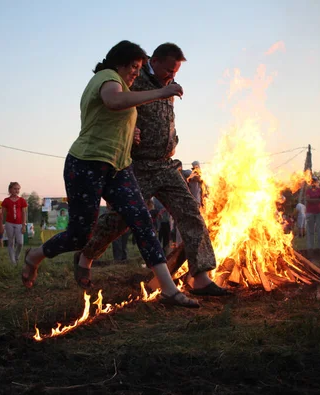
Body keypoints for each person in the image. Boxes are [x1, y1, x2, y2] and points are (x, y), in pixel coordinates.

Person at [23, 40, 201, 308]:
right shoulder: (107, 77)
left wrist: (133, 133)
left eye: (139, 67)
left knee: (142, 218)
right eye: (133, 66)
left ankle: (168, 289)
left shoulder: (123, 85)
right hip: (86, 164)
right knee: (79, 234)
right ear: (119, 62)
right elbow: (113, 101)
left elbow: (114, 119)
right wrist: (161, 92)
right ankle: (35, 256)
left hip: (118, 167)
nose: (135, 73)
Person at [63, 42, 228, 300]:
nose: (173, 76)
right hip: (138, 165)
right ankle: (85, 255)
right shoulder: (134, 76)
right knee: (120, 220)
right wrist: (132, 131)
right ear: (157, 60)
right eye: (169, 70)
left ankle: (200, 277)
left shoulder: (168, 86)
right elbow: (116, 104)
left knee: (190, 212)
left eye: (176, 72)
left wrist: (172, 138)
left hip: (165, 164)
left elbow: (164, 117)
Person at [1, 182, 27, 265]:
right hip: (9, 223)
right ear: (10, 190)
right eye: (15, 189)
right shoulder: (6, 201)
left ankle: (16, 256)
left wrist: (24, 225)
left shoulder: (22, 200)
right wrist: (2, 224)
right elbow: (3, 213)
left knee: (20, 242)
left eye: (18, 189)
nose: (17, 190)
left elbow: (24, 213)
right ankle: (13, 261)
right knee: (11, 242)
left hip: (19, 223)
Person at [305, 176, 320, 248]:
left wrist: (313, 200)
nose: (313, 182)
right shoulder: (308, 191)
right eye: (312, 181)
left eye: (314, 181)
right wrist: (318, 200)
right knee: (310, 231)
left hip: (319, 211)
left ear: (317, 182)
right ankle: (310, 248)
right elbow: (308, 200)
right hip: (310, 212)